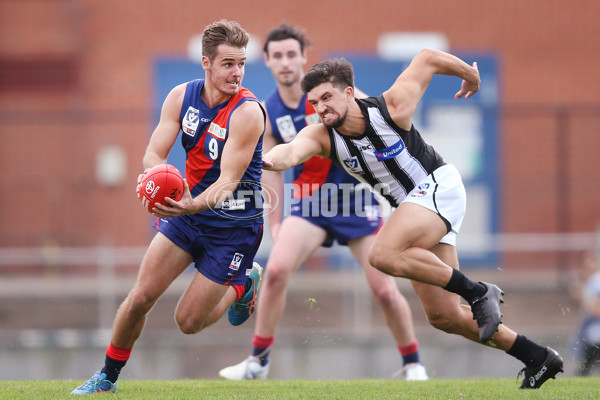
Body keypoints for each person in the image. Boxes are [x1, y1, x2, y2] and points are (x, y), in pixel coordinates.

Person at [261, 51, 564, 389]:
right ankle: (536, 356)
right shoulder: (321, 136)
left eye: (327, 97)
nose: (321, 108)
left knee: (381, 254)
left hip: (438, 187)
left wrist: (471, 76)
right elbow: (288, 152)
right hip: (413, 209)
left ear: (349, 92)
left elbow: (427, 58)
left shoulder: (390, 106)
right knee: (443, 316)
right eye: (315, 102)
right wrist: (264, 160)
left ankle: (479, 292)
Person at [218, 23, 428, 381]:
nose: (285, 62)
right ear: (267, 60)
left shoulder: (329, 95)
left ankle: (413, 364)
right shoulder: (266, 110)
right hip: (310, 205)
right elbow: (272, 169)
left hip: (354, 200)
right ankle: (258, 362)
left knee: (384, 289)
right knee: (277, 270)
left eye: (291, 54)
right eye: (277, 56)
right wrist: (276, 220)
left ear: (303, 58)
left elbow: (374, 120)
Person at [71, 19, 266, 394]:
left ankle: (243, 285)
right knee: (141, 296)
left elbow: (226, 183)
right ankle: (106, 378)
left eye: (241, 63)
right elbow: (153, 154)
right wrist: (156, 179)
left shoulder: (247, 112)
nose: (236, 72)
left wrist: (189, 205)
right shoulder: (180, 96)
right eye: (228, 63)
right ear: (206, 63)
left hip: (233, 227)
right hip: (187, 215)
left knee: (187, 322)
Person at [572, 250, 600, 375]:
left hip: (596, 334)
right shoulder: (589, 282)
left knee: (583, 370)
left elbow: (596, 309)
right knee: (584, 369)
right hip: (590, 334)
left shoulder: (597, 282)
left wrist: (585, 303)